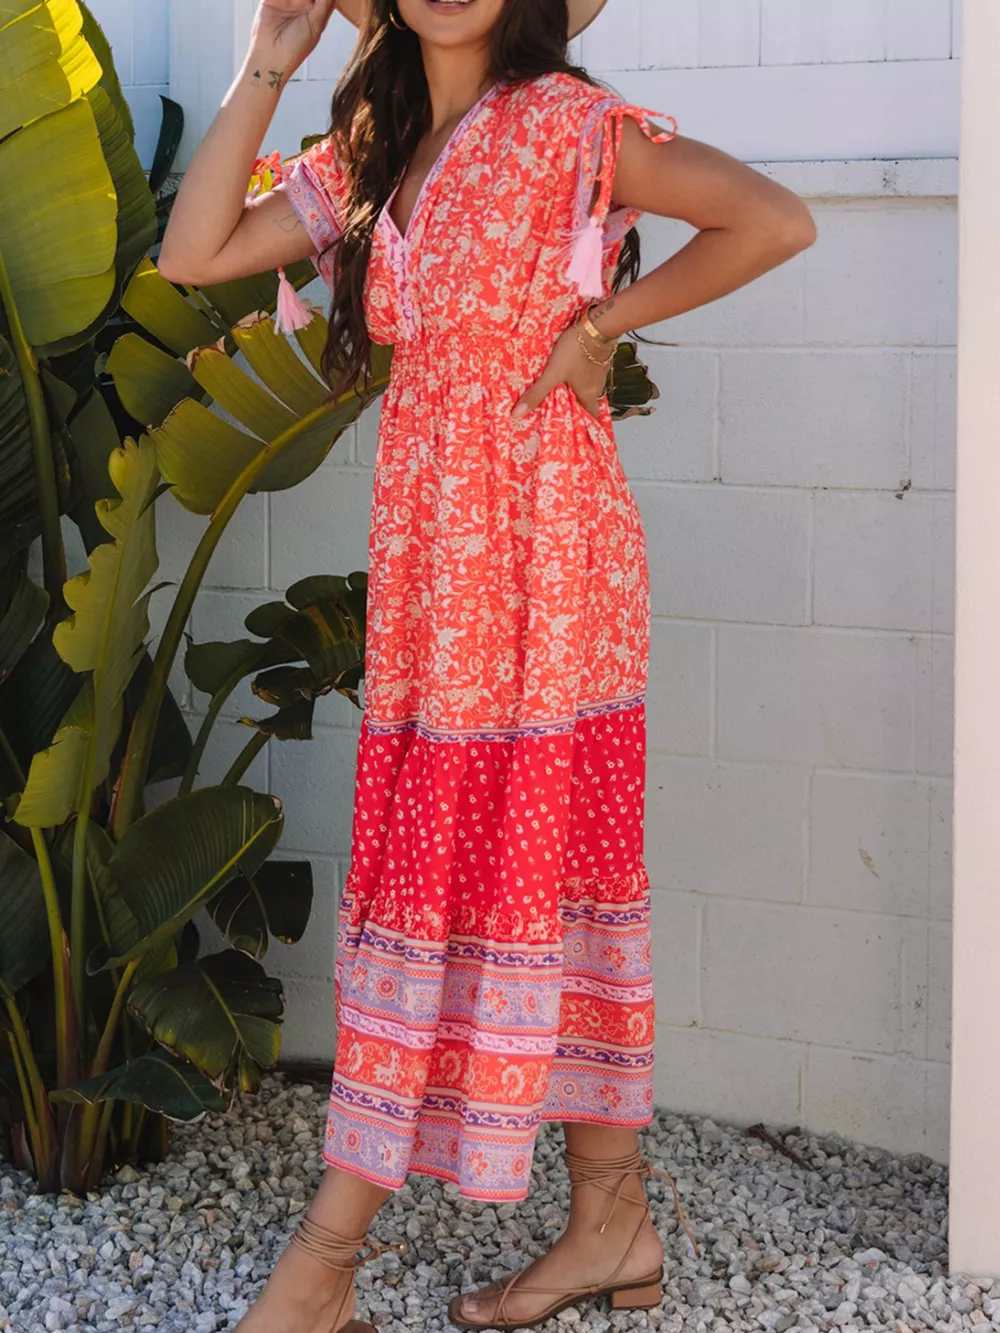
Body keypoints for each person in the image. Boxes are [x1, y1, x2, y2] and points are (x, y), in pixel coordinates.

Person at [159, 1, 815, 1329]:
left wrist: (602, 323)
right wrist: (271, 59)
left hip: (546, 555)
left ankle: (326, 1261)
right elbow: (194, 252)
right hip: (434, 571)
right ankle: (611, 1223)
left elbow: (773, 219)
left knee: (505, 862)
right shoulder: (372, 150)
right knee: (526, 865)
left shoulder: (567, 125)